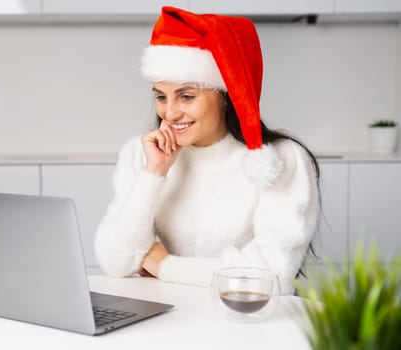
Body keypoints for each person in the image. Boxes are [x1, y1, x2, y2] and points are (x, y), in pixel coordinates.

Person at [94, 6, 320, 295]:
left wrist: (166, 266)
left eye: (187, 96)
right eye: (161, 97)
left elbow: (271, 273)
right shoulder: (142, 153)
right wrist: (154, 174)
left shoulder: (279, 160)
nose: (171, 112)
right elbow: (116, 261)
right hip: (171, 318)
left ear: (226, 95)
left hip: (245, 324)